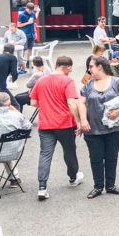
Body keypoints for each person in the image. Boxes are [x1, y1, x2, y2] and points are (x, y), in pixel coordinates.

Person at [29, 56, 85, 200]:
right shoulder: (67, 81)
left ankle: (42, 187)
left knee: (45, 155)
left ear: (55, 65)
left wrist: (47, 104)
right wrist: (79, 120)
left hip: (45, 123)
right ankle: (73, 177)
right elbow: (72, 102)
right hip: (65, 123)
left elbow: (33, 102)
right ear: (68, 67)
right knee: (69, 151)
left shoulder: (41, 80)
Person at [79, 56, 119, 199]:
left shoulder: (117, 82)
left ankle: (111, 185)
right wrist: (83, 120)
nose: (89, 70)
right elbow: (81, 103)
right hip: (93, 127)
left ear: (99, 67)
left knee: (111, 156)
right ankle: (98, 186)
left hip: (114, 127)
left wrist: (118, 111)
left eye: (91, 67)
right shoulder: (88, 85)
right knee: (95, 157)